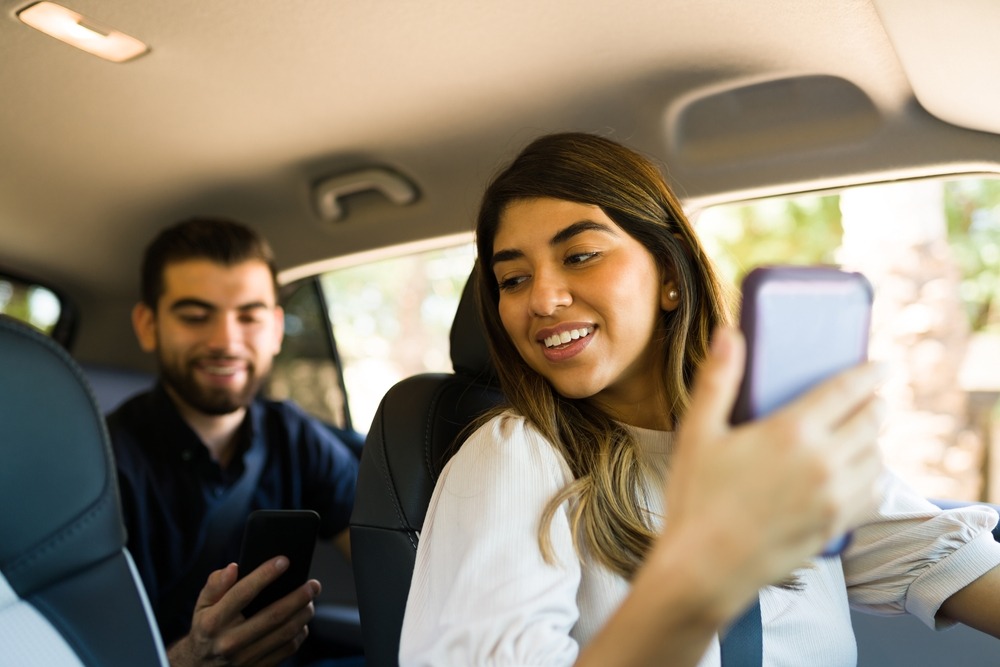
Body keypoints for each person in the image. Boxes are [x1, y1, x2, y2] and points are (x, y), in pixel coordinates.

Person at [398, 132, 1000, 666]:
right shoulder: (515, 458)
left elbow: (945, 560)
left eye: (580, 256)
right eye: (513, 279)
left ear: (667, 274)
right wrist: (699, 577)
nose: (543, 299)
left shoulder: (770, 443)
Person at [106, 217, 361, 667]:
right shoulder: (101, 466)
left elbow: (383, 552)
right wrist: (190, 658)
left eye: (249, 315)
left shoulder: (294, 435)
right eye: (195, 316)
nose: (226, 340)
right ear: (148, 326)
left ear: (277, 328)